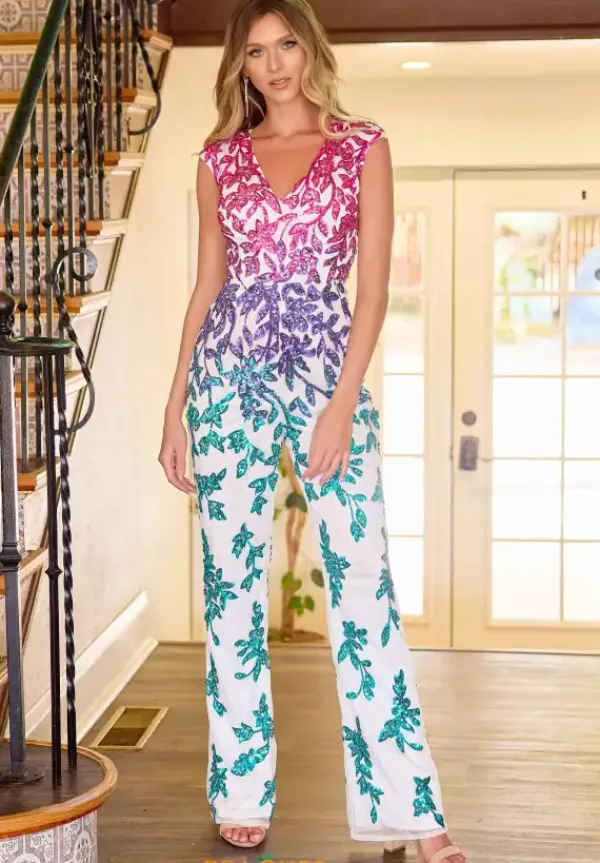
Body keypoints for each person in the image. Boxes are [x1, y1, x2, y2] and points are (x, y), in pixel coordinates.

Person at [159, 2, 467, 861]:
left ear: (310, 48)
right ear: (241, 66)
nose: (274, 64)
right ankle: (241, 787)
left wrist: (342, 402)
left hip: (329, 375)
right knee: (231, 588)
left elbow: (372, 291)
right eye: (256, 52)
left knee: (363, 580)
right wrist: (175, 404)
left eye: (286, 44)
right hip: (228, 378)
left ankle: (411, 811)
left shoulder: (363, 148)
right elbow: (207, 286)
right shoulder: (219, 162)